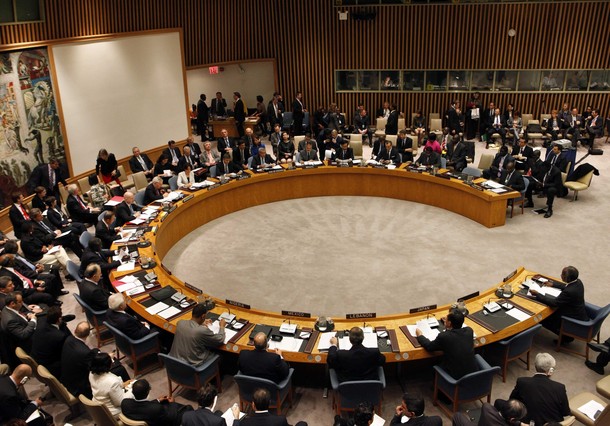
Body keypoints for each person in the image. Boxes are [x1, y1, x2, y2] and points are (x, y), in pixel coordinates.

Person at [495, 353, 569, 426]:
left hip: (526, 422)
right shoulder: (560, 388)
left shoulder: (522, 382)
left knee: (499, 402)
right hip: (552, 424)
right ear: (551, 371)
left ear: (536, 366)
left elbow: (512, 401)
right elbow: (565, 412)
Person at [61, 321, 129, 399]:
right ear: (88, 334)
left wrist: (96, 352)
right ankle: (126, 390)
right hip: (81, 385)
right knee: (120, 368)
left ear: (75, 331)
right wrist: (108, 358)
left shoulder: (69, 339)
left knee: (97, 351)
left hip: (68, 378)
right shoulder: (85, 352)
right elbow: (96, 368)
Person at [530, 266, 587, 343]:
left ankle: (566, 337)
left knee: (542, 318)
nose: (560, 275)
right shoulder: (578, 282)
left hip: (570, 317)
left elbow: (554, 303)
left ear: (568, 278)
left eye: (563, 275)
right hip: (576, 312)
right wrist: (553, 284)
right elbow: (566, 286)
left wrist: (538, 294)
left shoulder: (569, 292)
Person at [416, 309, 477, 379]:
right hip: (473, 374)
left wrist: (420, 336)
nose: (445, 320)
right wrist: (447, 323)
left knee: (433, 367)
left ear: (449, 323)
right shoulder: (469, 330)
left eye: (446, 319)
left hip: (456, 377)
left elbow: (430, 347)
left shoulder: (444, 336)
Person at [121, 379, 192, 426]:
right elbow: (170, 418)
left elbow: (142, 405)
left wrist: (157, 400)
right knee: (188, 408)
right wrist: (172, 403)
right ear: (147, 392)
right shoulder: (156, 409)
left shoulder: (125, 403)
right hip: (161, 422)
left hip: (145, 416)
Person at [30, 305, 70, 378]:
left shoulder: (41, 321)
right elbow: (65, 350)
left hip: (37, 358)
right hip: (49, 364)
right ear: (59, 319)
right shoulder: (59, 336)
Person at [89, 352, 134, 417]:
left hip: (99, 405)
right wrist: (132, 390)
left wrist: (123, 384)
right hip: (113, 412)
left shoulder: (91, 373)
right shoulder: (112, 381)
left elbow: (107, 388)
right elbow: (120, 402)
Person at [451, 399, 527, 426]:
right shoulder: (509, 422)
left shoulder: (486, 407)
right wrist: (519, 423)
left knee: (457, 416)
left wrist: (519, 423)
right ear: (512, 419)